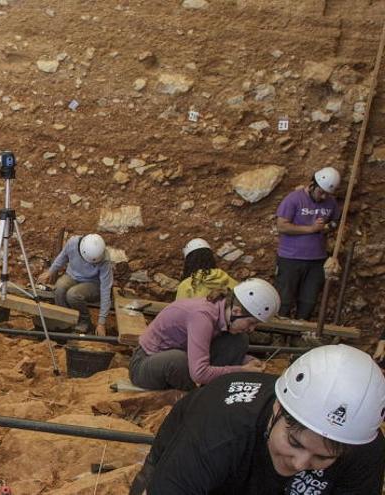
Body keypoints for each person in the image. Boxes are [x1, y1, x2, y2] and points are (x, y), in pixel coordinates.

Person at [130, 344, 385, 494]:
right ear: (277, 409)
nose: (299, 463)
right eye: (295, 443)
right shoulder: (221, 427)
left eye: (323, 457)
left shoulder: (362, 445)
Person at [129, 278, 279, 391]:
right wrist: (242, 370)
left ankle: (212, 388)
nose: (251, 329)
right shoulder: (202, 316)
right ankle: (200, 397)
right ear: (236, 312)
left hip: (184, 354)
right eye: (251, 323)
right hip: (145, 365)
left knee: (238, 340)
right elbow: (199, 373)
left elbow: (208, 351)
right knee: (177, 360)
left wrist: (246, 361)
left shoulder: (221, 312)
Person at [274, 167, 342, 320]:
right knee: (284, 300)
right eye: (321, 192)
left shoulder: (330, 202)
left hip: (317, 261)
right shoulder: (294, 199)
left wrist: (327, 227)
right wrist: (311, 229)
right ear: (313, 185)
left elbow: (337, 221)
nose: (323, 196)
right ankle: (277, 337)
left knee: (308, 302)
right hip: (290, 259)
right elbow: (282, 226)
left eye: (327, 193)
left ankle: (298, 338)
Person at [37, 233, 113, 335]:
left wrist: (101, 323)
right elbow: (62, 257)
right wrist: (50, 271)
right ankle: (65, 320)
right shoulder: (73, 243)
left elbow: (105, 289)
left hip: (93, 283)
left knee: (73, 294)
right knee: (59, 288)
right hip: (72, 276)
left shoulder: (104, 259)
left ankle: (84, 321)